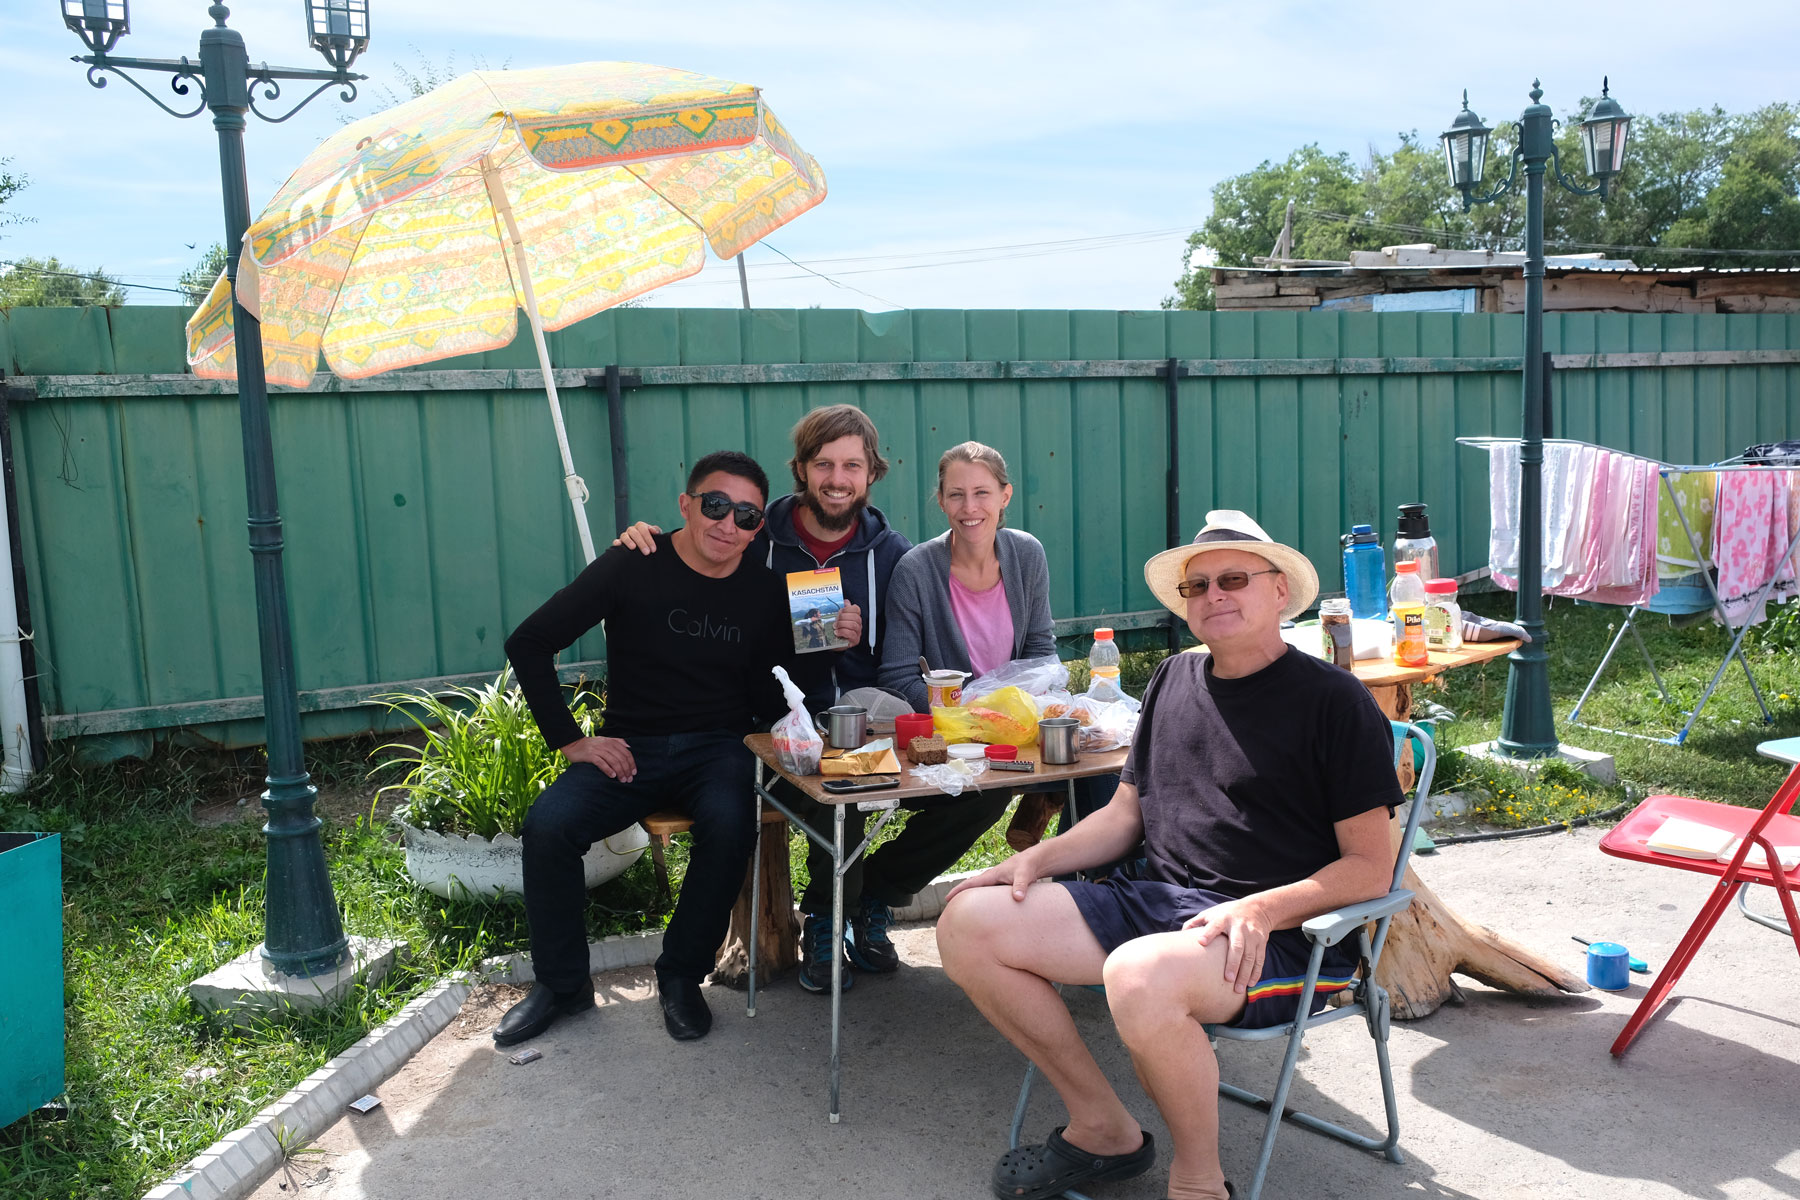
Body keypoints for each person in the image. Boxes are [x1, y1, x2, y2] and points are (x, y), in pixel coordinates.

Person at [935, 510, 1403, 1200]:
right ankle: (1102, 1128)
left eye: (1235, 579)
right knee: (967, 921)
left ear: (1280, 592)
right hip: (1162, 905)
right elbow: (1126, 816)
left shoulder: (1334, 702)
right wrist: (1038, 859)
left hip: (1279, 939)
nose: (1214, 595)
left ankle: (1199, 1183)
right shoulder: (1174, 679)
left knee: (1137, 974)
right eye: (1198, 586)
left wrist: (1263, 908)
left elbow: (1372, 868)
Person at [613, 405, 913, 994]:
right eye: (823, 463)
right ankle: (826, 919)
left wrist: (860, 640)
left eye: (851, 464)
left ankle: (853, 905)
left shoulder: (892, 553)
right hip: (757, 729)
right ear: (801, 469)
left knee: (912, 792)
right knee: (835, 797)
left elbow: (897, 659)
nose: (836, 477)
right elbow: (692, 565)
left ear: (871, 473)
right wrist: (642, 540)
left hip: (854, 723)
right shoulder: (752, 531)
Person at [495, 451, 791, 1047]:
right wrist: (572, 741)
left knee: (733, 825)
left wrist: (829, 644)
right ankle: (562, 985)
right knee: (550, 826)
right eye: (714, 505)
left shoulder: (763, 587)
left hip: (718, 747)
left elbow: (769, 688)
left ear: (759, 526)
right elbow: (529, 642)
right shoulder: (634, 561)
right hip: (632, 746)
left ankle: (681, 975)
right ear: (685, 505)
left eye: (747, 516)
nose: (727, 524)